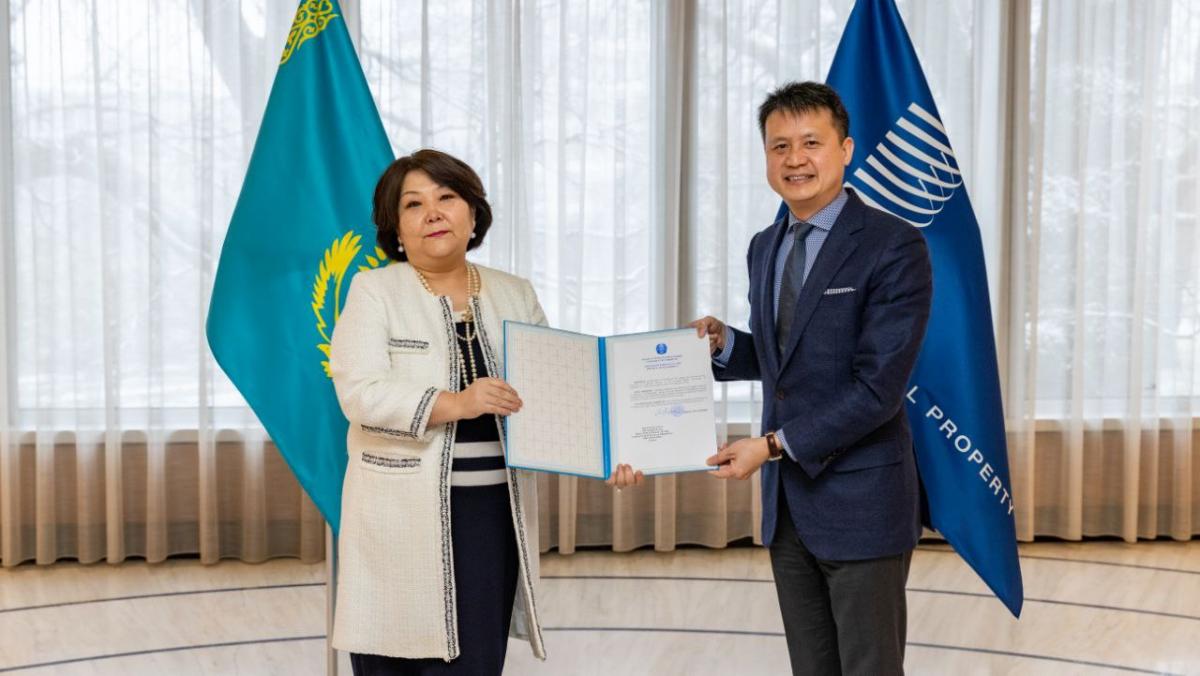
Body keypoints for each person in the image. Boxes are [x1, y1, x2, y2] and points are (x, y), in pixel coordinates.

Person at [692, 82, 933, 675]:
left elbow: (877, 389)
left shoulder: (893, 245)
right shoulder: (764, 246)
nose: (794, 159)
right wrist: (724, 345)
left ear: (845, 149)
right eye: (779, 146)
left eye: (810, 143)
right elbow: (785, 361)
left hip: (862, 502)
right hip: (788, 509)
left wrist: (771, 445)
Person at [327, 149, 547, 674]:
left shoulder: (515, 294)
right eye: (413, 204)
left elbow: (554, 392)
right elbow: (358, 391)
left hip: (491, 517)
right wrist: (455, 403)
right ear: (396, 229)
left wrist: (610, 450)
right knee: (392, 658)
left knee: (475, 660)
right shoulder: (375, 291)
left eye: (446, 197)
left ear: (473, 214)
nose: (433, 212)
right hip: (396, 516)